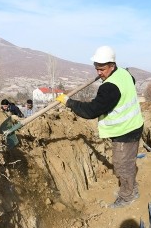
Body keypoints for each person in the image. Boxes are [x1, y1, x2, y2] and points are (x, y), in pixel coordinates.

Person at [55, 46, 144, 209]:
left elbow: (91, 111)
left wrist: (69, 102)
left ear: (112, 65)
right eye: (97, 69)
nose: (99, 73)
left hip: (125, 131)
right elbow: (132, 82)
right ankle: (132, 190)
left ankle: (128, 196)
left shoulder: (109, 87)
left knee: (122, 165)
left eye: (102, 69)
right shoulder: (124, 73)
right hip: (134, 124)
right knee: (128, 163)